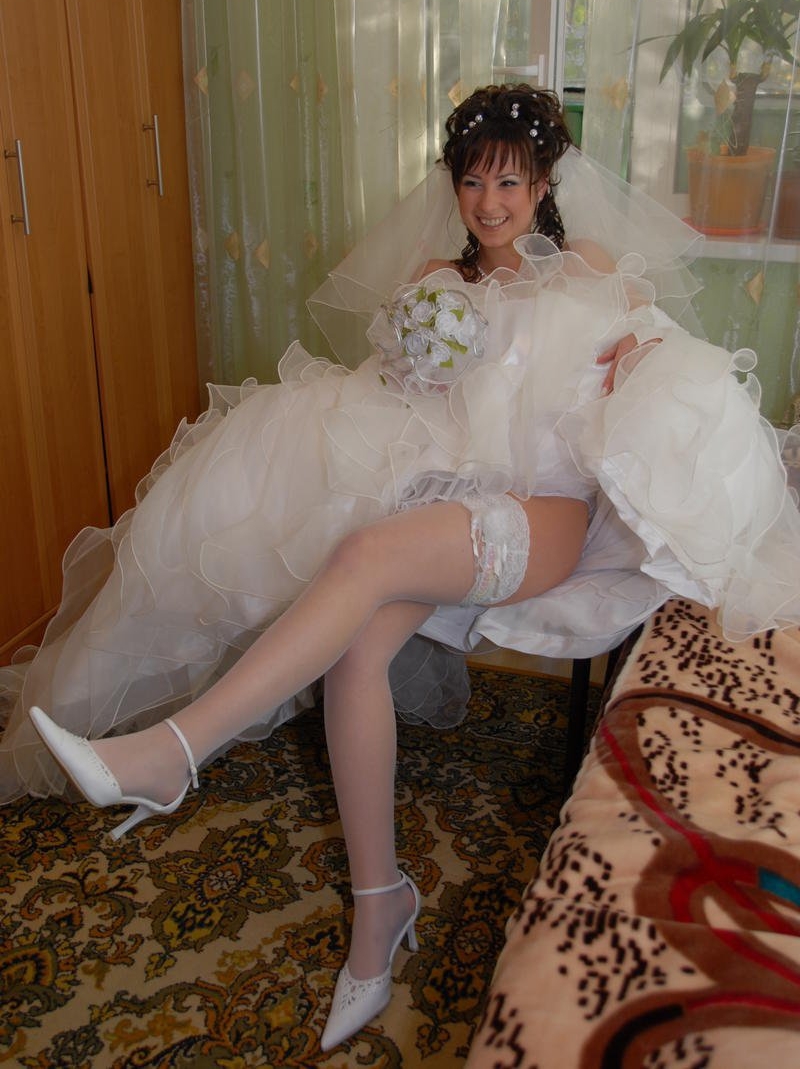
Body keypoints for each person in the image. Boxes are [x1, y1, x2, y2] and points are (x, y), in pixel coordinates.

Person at [5, 84, 800, 1050]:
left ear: (546, 180)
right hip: (441, 495)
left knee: (365, 553)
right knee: (353, 654)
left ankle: (174, 754)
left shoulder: (585, 268)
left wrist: (635, 360)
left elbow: (659, 366)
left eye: (510, 180)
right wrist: (415, 357)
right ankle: (381, 909)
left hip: (544, 512)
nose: (491, 201)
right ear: (453, 186)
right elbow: (401, 402)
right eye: (472, 181)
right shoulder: (434, 278)